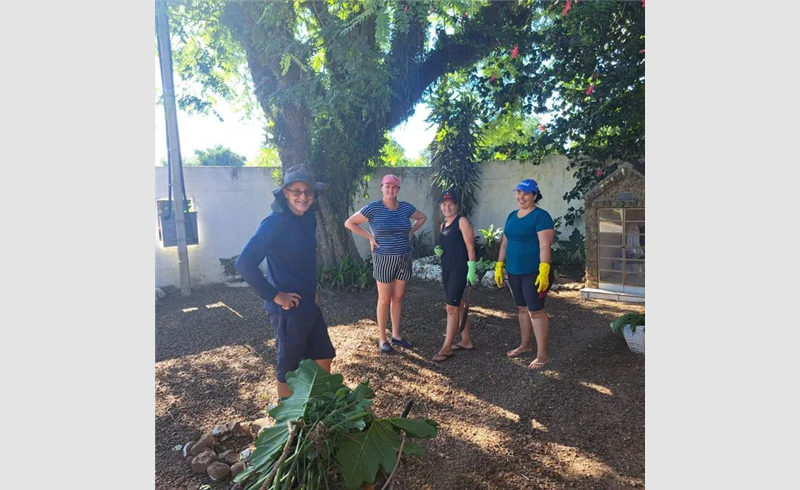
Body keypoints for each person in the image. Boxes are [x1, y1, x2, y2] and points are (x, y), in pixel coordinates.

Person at [235, 164, 336, 399]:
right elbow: (243, 264)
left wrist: (313, 290)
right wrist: (276, 296)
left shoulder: (308, 219)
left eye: (308, 192)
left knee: (324, 354)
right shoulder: (274, 223)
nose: (303, 197)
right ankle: (287, 420)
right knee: (288, 368)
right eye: (296, 191)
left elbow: (304, 259)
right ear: (285, 194)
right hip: (287, 310)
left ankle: (317, 404)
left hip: (308, 304)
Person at [344, 174, 427, 354]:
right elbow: (349, 223)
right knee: (384, 299)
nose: (391, 190)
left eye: (394, 187)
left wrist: (411, 232)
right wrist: (369, 237)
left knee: (398, 297)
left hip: (404, 257)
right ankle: (383, 338)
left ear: (398, 190)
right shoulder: (373, 208)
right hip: (383, 258)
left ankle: (396, 335)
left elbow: (422, 217)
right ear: (382, 188)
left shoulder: (405, 208)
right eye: (387, 186)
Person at [494, 178, 556, 370]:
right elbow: (505, 242)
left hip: (534, 272)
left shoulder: (541, 216)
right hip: (514, 271)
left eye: (526, 194)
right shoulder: (512, 216)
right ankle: (525, 344)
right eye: (518, 193)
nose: (521, 197)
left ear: (535, 196)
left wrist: (544, 269)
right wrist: (499, 265)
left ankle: (543, 354)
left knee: (536, 312)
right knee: (522, 309)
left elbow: (545, 245)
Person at [431, 190, 478, 362]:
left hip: (459, 269)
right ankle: (466, 341)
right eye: (444, 205)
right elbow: (448, 245)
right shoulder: (443, 226)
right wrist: (439, 250)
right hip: (447, 270)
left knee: (451, 308)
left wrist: (472, 267)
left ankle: (447, 347)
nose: (447, 207)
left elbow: (470, 246)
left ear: (456, 205)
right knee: (458, 305)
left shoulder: (462, 221)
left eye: (450, 204)